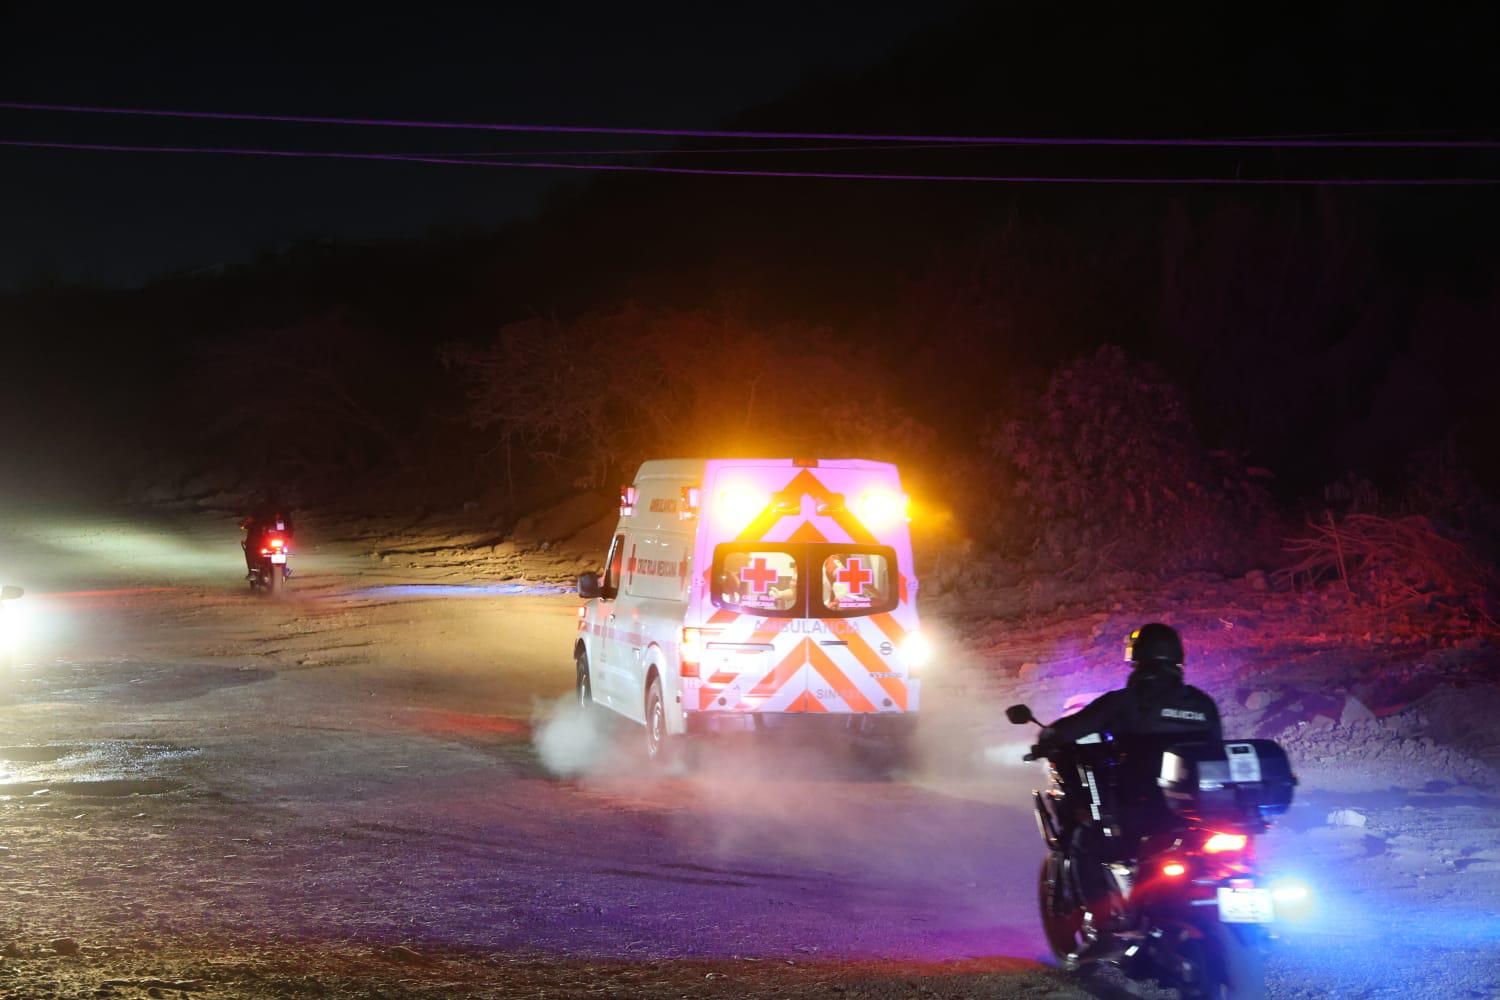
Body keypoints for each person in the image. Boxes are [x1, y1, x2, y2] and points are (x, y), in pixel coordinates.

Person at [1036, 623, 1222, 944]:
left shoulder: (1126, 701)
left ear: (1137, 658)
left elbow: (1069, 730)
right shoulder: (1203, 704)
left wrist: (1047, 738)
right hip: (1199, 817)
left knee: (1085, 843)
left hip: (1142, 815)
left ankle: (1106, 927)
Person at [240, 491, 295, 576]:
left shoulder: (261, 508)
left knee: (249, 548)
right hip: (279, 538)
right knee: (283, 550)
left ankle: (252, 571)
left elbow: (250, 520)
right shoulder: (283, 510)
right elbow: (290, 526)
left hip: (263, 539)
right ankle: (283, 569)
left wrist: (244, 525)